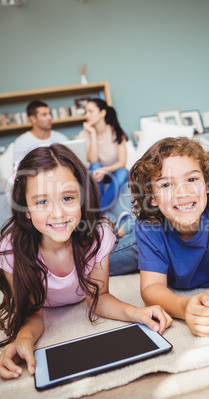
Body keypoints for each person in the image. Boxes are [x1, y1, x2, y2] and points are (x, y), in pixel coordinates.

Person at [0, 144, 172, 380]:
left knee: (137, 233)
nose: (58, 214)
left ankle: (124, 223)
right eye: (42, 202)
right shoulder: (11, 249)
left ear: (81, 199)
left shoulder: (98, 236)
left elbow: (99, 299)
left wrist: (137, 313)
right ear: (25, 208)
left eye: (68, 198)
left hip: (99, 229)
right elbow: (33, 314)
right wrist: (23, 339)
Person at [129, 136, 209, 338]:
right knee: (97, 254)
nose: (182, 192)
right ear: (152, 198)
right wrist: (183, 307)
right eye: (166, 185)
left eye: (192, 179)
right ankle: (120, 230)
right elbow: (151, 287)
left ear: (208, 185)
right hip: (135, 243)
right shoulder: (148, 228)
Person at [79, 98, 129, 213]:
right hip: (96, 174)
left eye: (91, 111)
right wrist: (92, 134)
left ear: (102, 113)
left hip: (113, 172)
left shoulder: (116, 132)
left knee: (123, 172)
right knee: (95, 165)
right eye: (86, 112)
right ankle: (100, 213)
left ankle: (98, 213)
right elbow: (93, 160)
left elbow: (122, 162)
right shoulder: (84, 134)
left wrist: (105, 170)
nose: (87, 115)